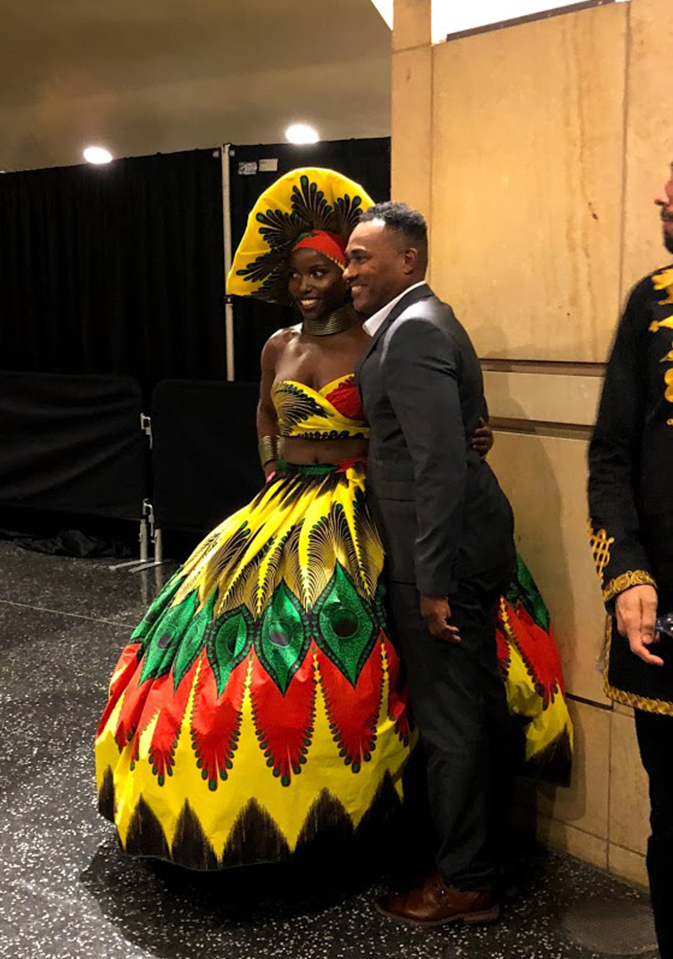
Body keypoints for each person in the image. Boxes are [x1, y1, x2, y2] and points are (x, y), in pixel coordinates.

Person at [95, 169, 571, 875]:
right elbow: (265, 413)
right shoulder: (282, 346)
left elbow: (419, 435)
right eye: (310, 270)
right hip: (284, 503)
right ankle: (250, 814)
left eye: (339, 264)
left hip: (366, 513)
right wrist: (271, 468)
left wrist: (465, 435)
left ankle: (407, 834)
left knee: (373, 668)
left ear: (397, 262)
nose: (323, 280)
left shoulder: (386, 338)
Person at [344, 202, 518, 926]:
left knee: (450, 720)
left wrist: (434, 583)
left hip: (436, 557)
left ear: (407, 261)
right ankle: (472, 856)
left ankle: (464, 880)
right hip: (453, 546)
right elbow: (457, 436)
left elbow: (439, 467)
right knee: (467, 711)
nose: (349, 271)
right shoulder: (427, 320)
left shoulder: (412, 331)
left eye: (361, 257)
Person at [587, 162, 673, 959]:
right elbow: (609, 455)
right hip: (664, 619)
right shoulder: (651, 303)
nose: (660, 196)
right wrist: (627, 574)